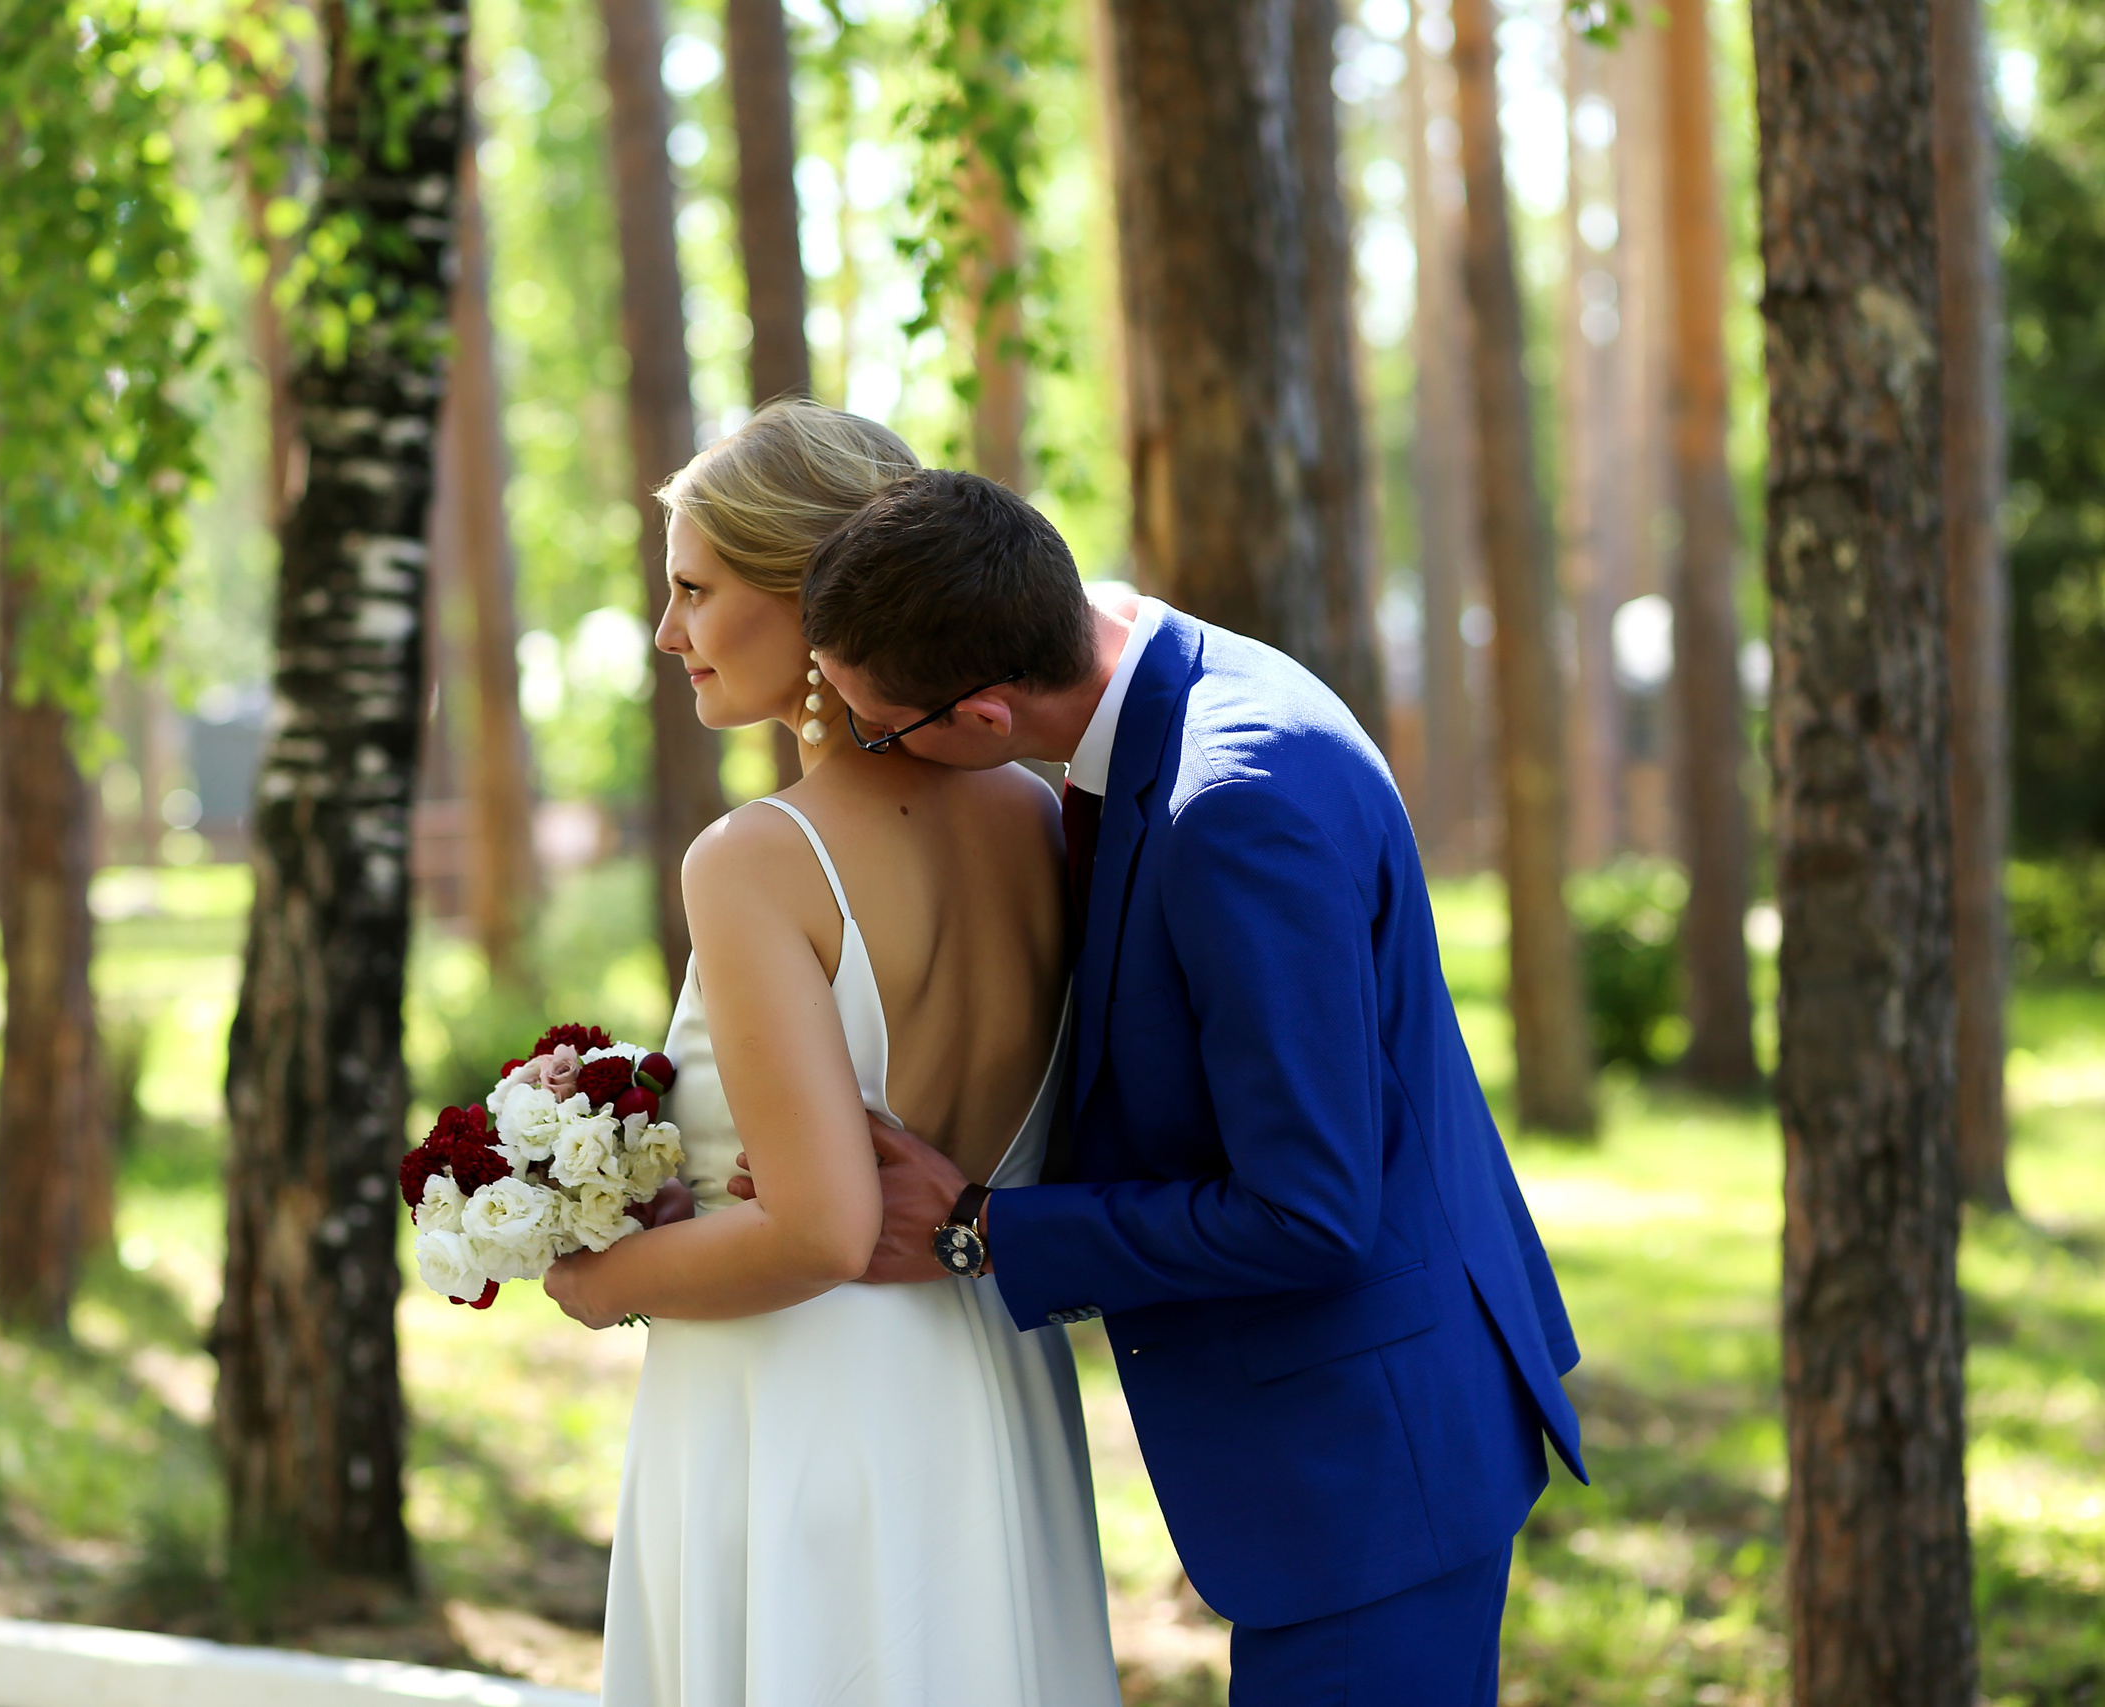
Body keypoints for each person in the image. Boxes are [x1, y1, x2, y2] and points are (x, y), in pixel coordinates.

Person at [769, 468, 1589, 1707]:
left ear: (983, 720)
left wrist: (976, 1229)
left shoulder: (1232, 806)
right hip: (1376, 1417)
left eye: (874, 730)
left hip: (1370, 1455)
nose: (862, 751)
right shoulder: (1173, 668)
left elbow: (1307, 1211)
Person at [540, 404, 1121, 1707]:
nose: (667, 630)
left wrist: (595, 1274)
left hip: (805, 1413)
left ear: (809, 601)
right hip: (992, 1386)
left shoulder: (757, 860)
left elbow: (819, 1228)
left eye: (694, 588)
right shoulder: (1039, 816)